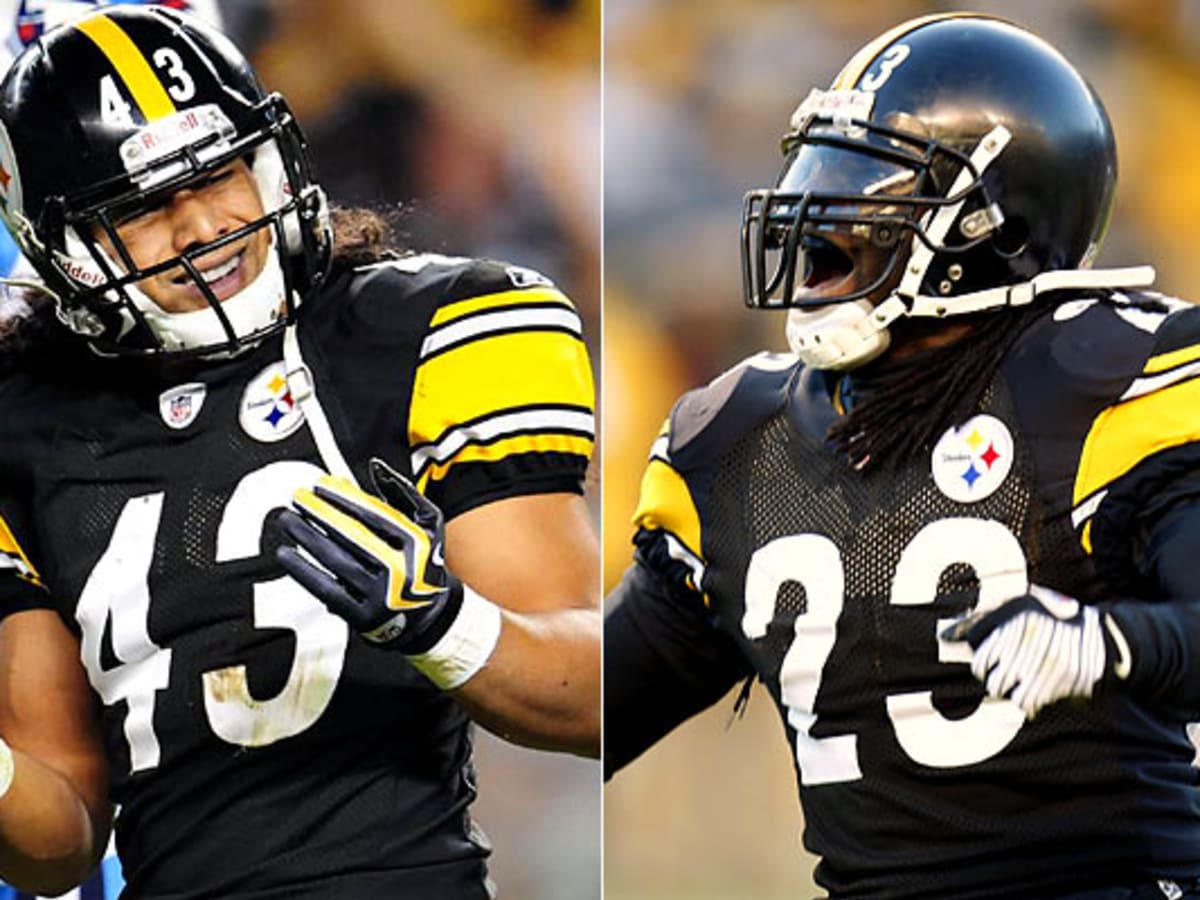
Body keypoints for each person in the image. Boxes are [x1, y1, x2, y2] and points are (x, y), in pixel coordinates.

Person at [0, 6, 599, 899]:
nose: (204, 225)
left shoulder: (427, 329)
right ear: (66, 250)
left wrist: (441, 623)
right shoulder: (26, 423)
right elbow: (60, 842)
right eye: (143, 209)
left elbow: (592, 692)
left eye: (222, 173)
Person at [605, 11, 1200, 899]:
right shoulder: (737, 438)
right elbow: (598, 703)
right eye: (818, 171)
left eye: (868, 180)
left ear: (989, 226)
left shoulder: (1110, 380)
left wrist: (1106, 645)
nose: (816, 212)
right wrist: (451, 627)